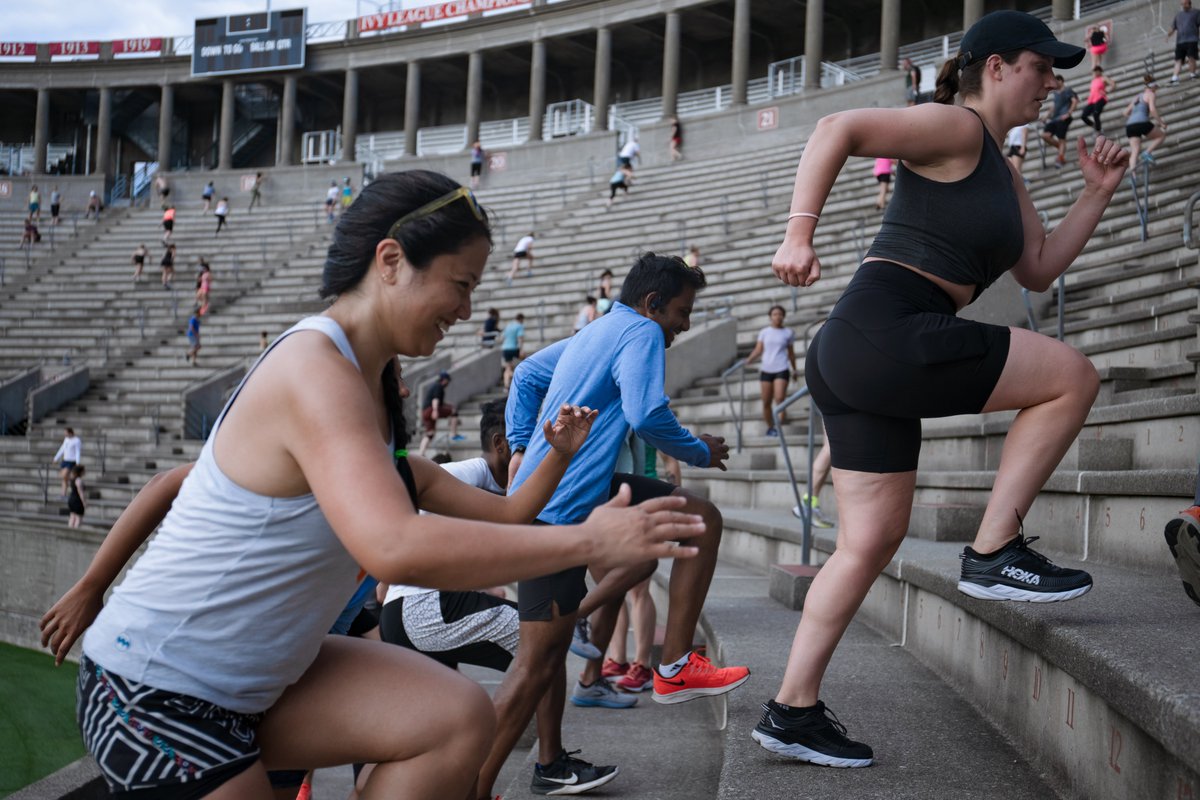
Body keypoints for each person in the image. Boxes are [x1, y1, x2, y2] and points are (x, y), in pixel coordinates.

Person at [39, 169, 701, 800]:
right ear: (390, 261)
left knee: (456, 715)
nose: (468, 311)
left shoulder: (372, 400)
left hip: (252, 684)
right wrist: (586, 542)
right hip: (153, 692)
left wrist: (556, 456)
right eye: (459, 285)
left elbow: (517, 511)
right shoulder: (312, 367)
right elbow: (393, 547)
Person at [764, 10, 1126, 767]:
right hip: (890, 324)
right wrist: (799, 232)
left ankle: (791, 710)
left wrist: (1095, 193)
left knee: (867, 543)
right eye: (1040, 66)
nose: (1052, 82)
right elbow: (835, 126)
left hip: (858, 347)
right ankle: (995, 548)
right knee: (1071, 376)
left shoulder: (1002, 164)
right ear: (994, 67)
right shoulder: (955, 128)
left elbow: (1037, 267)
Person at [477, 252, 748, 800]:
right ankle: (471, 787)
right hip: (557, 516)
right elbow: (647, 414)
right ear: (652, 304)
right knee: (533, 667)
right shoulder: (642, 333)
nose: (685, 324)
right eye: (682, 311)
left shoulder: (598, 330)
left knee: (699, 518)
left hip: (580, 495)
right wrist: (697, 450)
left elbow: (527, 374)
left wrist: (526, 446)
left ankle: (671, 664)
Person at [744, 305, 797, 437]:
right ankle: (770, 427)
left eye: (780, 314)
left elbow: (791, 354)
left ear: (783, 316)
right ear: (770, 317)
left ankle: (778, 426)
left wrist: (794, 370)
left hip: (782, 368)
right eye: (774, 314)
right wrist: (749, 359)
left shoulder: (788, 332)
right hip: (766, 369)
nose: (777, 316)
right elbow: (758, 349)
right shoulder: (764, 332)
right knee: (766, 401)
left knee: (779, 398)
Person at [1124, 75, 1168, 165]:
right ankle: (1147, 152)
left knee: (1135, 151)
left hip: (1129, 126)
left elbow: (1125, 112)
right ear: (1152, 87)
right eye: (1156, 88)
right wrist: (1161, 123)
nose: (1156, 90)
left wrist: (1134, 118)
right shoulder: (1151, 94)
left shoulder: (1137, 97)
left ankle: (1133, 176)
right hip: (1142, 123)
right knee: (1161, 136)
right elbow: (1152, 109)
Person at [418, 370, 463, 456]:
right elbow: (435, 399)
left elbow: (440, 403)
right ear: (445, 380)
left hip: (425, 412)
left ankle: (421, 453)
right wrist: (435, 411)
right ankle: (453, 434)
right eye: (448, 381)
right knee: (454, 412)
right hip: (431, 410)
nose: (448, 383)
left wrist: (448, 406)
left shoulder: (434, 386)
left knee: (430, 433)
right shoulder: (439, 387)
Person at [1040, 73, 1078, 168]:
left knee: (1061, 138)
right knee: (1045, 135)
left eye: (1056, 81)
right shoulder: (1056, 93)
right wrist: (1046, 116)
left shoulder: (1068, 90)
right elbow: (1054, 106)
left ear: (1061, 81)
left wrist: (1068, 113)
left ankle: (1060, 157)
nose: (1054, 83)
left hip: (1064, 118)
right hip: (1054, 119)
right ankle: (1061, 148)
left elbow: (1075, 101)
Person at [1168, 0, 1200, 82]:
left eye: (1185, 4)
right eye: (1182, 4)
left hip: (1192, 39)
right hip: (1180, 41)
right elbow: (1173, 27)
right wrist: (1168, 35)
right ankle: (1174, 77)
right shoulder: (1178, 15)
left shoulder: (1196, 12)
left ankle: (1192, 74)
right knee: (1178, 59)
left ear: (1189, 3)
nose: (1183, 5)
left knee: (1191, 57)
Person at [1080, 66, 1115, 133]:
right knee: (1083, 116)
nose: (1095, 72)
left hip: (1100, 99)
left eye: (1096, 71)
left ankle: (1099, 130)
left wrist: (1107, 91)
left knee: (1095, 114)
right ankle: (1095, 126)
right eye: (1094, 71)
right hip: (1092, 101)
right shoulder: (1093, 80)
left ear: (1100, 71)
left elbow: (1113, 84)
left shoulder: (1103, 78)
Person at [52, 427, 82, 499]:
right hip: (65, 460)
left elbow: (78, 451)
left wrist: (78, 462)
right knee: (64, 478)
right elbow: (62, 449)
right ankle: (63, 494)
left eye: (66, 433)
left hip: (71, 461)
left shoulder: (77, 440)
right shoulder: (66, 439)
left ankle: (74, 482)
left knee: (65, 476)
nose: (65, 435)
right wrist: (56, 458)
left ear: (70, 433)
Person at [501, 312, 525, 391]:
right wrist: (521, 349)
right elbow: (520, 338)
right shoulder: (519, 326)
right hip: (513, 348)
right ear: (521, 319)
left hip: (505, 348)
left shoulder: (508, 326)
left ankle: (506, 386)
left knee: (508, 368)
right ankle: (519, 376)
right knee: (525, 360)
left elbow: (502, 338)